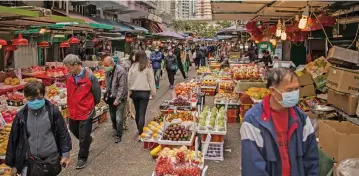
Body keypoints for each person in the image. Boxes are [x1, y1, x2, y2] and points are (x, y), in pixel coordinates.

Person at [241, 68, 319, 176]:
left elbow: (311, 160)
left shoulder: (302, 119)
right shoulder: (253, 121)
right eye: (289, 90)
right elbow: (253, 167)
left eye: (297, 89)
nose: (295, 94)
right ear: (273, 91)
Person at [6, 81, 72, 176]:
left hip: (51, 160)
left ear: (43, 95)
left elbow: (63, 133)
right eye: (32, 99)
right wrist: (13, 165)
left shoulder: (53, 111)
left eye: (39, 98)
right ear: (26, 97)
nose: (36, 101)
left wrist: (66, 155)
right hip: (29, 162)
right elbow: (14, 140)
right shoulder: (21, 116)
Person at [63, 54, 101, 169]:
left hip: (85, 112)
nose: (67, 69)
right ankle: (88, 140)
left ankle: (82, 158)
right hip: (73, 111)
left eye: (69, 67)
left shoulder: (90, 77)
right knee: (74, 130)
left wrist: (89, 106)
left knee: (83, 137)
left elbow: (97, 95)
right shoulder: (69, 77)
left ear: (76, 64)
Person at [128, 50, 156, 141]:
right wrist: (153, 92)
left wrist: (129, 91)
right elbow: (151, 80)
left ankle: (139, 130)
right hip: (144, 93)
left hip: (135, 92)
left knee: (137, 111)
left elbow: (129, 80)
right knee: (142, 112)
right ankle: (141, 132)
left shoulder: (133, 66)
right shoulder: (148, 66)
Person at [103, 56, 128, 143]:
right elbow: (107, 83)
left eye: (106, 66)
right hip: (111, 97)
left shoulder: (120, 71)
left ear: (111, 64)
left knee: (118, 118)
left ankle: (119, 134)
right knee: (112, 116)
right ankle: (115, 129)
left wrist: (118, 99)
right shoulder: (107, 71)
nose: (105, 68)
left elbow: (122, 87)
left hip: (120, 98)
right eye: (104, 66)